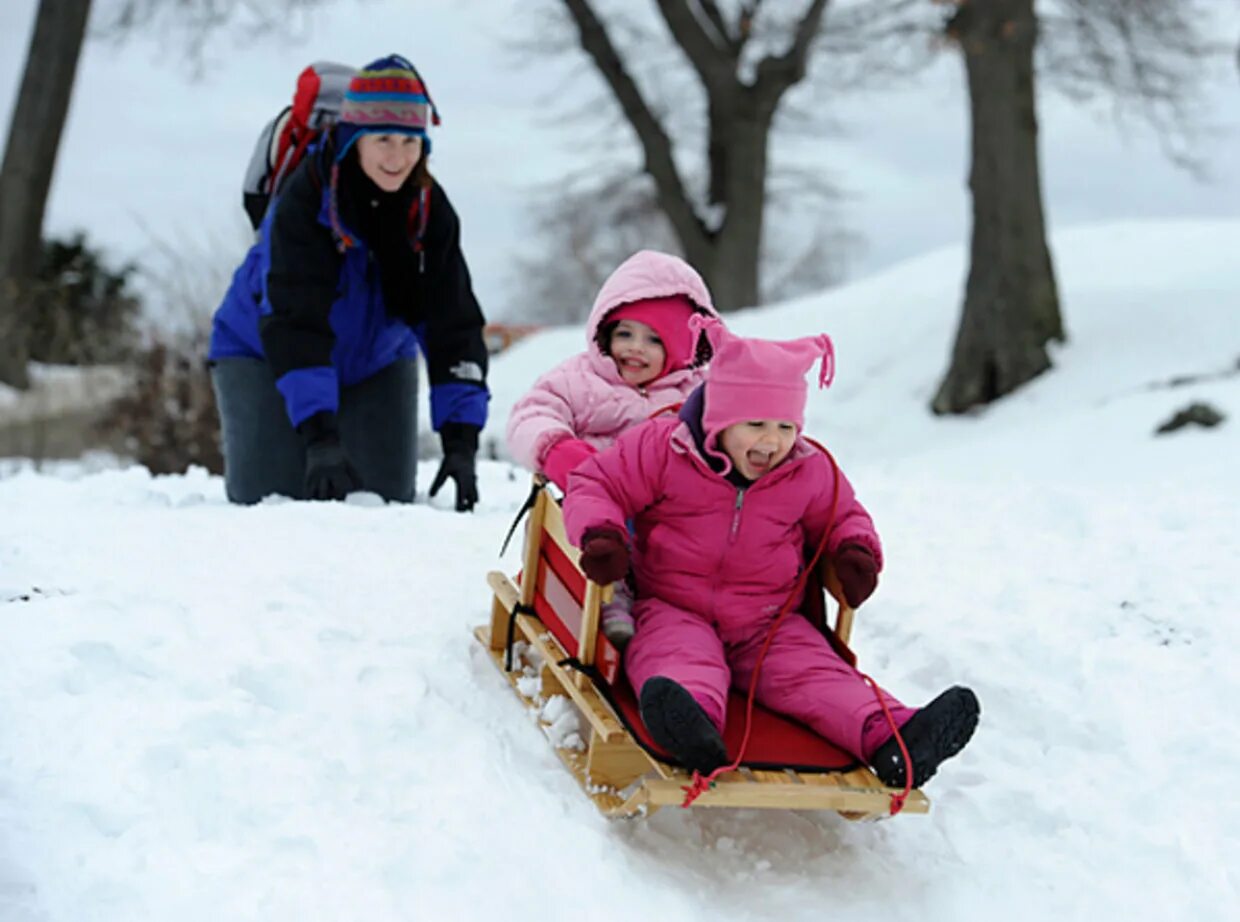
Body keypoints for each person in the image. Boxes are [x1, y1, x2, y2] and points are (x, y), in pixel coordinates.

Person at [561, 317, 980, 787]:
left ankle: (896, 739)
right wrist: (602, 533)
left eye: (785, 426)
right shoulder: (663, 449)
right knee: (678, 659)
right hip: (673, 605)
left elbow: (844, 515)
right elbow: (597, 483)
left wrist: (856, 551)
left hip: (770, 620)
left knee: (817, 676)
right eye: (756, 424)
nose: (773, 441)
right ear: (719, 418)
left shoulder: (807, 468)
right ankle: (690, 725)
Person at [209, 54, 488, 509]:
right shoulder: (309, 201)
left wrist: (461, 441)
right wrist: (320, 436)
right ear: (353, 139)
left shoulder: (428, 209)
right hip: (262, 351)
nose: (397, 157)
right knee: (266, 499)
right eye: (382, 139)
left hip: (375, 359)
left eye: (410, 140)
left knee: (386, 498)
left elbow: (451, 323)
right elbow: (295, 320)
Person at [506, 249, 720, 645]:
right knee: (612, 519)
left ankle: (700, 608)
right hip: (596, 498)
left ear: (681, 347)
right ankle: (611, 596)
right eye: (625, 333)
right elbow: (532, 412)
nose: (635, 348)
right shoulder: (581, 377)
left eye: (654, 339)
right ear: (604, 331)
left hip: (670, 506)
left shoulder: (696, 392)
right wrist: (559, 450)